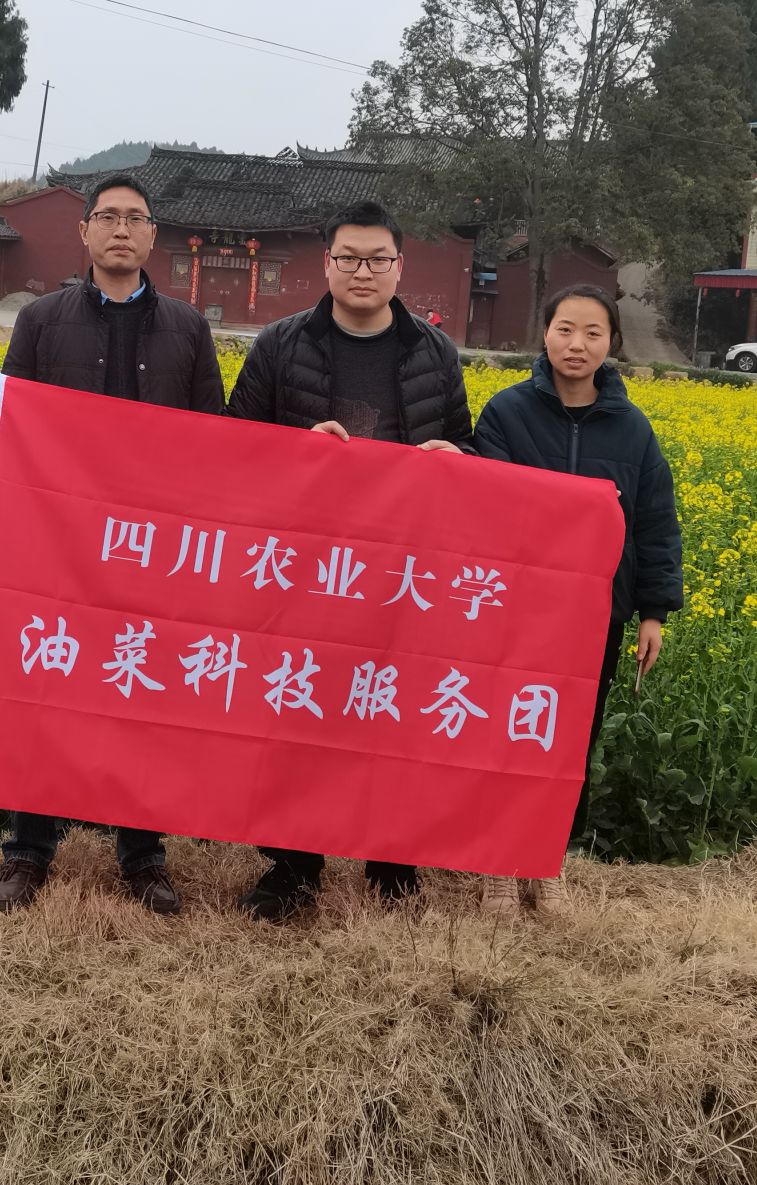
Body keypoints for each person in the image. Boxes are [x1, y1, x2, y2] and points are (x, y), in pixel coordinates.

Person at [0, 173, 226, 916]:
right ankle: (28, 850)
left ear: (153, 236)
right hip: (62, 544)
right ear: (85, 230)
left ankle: (143, 855)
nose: (121, 229)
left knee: (140, 690)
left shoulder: (188, 329)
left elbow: (214, 442)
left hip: (153, 551)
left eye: (136, 218)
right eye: (108, 216)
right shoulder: (41, 320)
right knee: (48, 685)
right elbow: (16, 429)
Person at [226, 198, 474, 921]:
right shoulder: (281, 345)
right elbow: (235, 445)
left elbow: (465, 444)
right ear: (327, 264)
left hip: (401, 569)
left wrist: (455, 457)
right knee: (300, 707)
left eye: (377, 259)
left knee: (391, 708)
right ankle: (293, 866)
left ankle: (391, 862)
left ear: (399, 266)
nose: (363, 271)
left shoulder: (434, 352)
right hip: (305, 564)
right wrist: (296, 452)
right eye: (349, 258)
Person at [472, 282, 683, 912]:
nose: (577, 344)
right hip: (515, 612)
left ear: (611, 342)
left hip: (595, 616)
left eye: (593, 333)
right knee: (504, 734)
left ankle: (545, 862)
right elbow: (485, 504)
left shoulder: (632, 429)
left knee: (570, 742)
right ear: (545, 334)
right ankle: (495, 866)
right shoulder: (506, 413)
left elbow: (654, 524)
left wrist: (653, 611)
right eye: (565, 329)